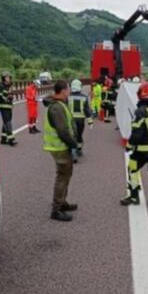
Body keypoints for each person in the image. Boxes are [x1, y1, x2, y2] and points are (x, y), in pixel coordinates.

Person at [42, 80, 79, 222]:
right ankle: (57, 209)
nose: (69, 91)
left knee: (66, 174)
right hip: (60, 147)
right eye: (68, 89)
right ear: (63, 91)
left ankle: (62, 202)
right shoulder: (57, 107)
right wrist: (73, 144)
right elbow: (62, 131)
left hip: (61, 146)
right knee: (62, 176)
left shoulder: (59, 104)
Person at [68, 79, 93, 158]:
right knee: (79, 135)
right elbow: (87, 110)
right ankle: (79, 149)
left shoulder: (68, 96)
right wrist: (90, 122)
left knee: (71, 135)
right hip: (80, 120)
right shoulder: (84, 97)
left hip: (71, 119)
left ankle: (72, 150)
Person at [0, 71, 17, 146]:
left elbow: (10, 96)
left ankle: (3, 139)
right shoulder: (0, 86)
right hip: (3, 107)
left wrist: (10, 98)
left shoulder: (9, 86)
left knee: (6, 122)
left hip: (9, 107)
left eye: (9, 77)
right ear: (3, 78)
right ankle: (11, 139)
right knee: (8, 123)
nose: (9, 79)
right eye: (7, 77)